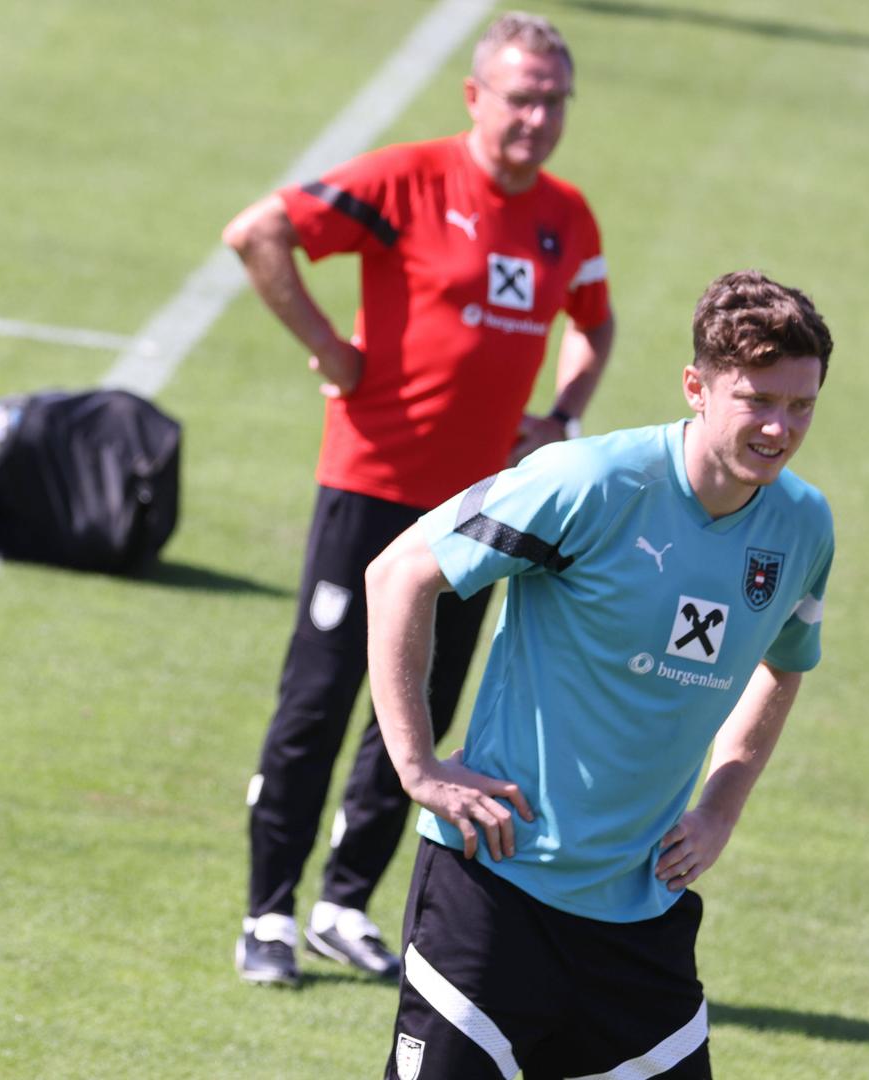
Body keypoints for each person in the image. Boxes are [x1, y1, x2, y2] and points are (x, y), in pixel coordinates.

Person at [222, 11, 616, 986]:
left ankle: (343, 904)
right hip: (369, 481)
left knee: (421, 715)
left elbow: (595, 321)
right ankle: (267, 913)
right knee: (318, 698)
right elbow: (258, 233)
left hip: (482, 511)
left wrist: (563, 414)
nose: (538, 119)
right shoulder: (406, 178)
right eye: (521, 98)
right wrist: (329, 348)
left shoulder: (567, 214)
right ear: (476, 97)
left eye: (554, 102)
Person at [365, 271, 834, 1078]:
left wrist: (721, 807)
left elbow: (783, 664)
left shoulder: (803, 525)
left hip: (638, 914)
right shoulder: (587, 482)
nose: (779, 428)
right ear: (696, 387)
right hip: (494, 894)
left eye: (801, 406)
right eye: (757, 400)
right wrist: (417, 766)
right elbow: (401, 572)